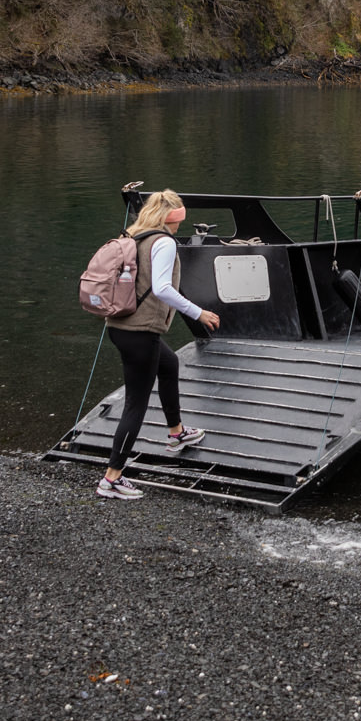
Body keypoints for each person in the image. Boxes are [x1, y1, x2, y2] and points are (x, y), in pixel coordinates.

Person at [95, 189, 220, 501]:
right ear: (170, 218)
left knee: (169, 364)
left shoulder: (133, 235)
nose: (180, 226)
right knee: (135, 405)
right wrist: (198, 312)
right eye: (178, 220)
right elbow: (163, 288)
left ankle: (176, 433)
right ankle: (112, 478)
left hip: (119, 326)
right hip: (139, 334)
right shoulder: (163, 241)